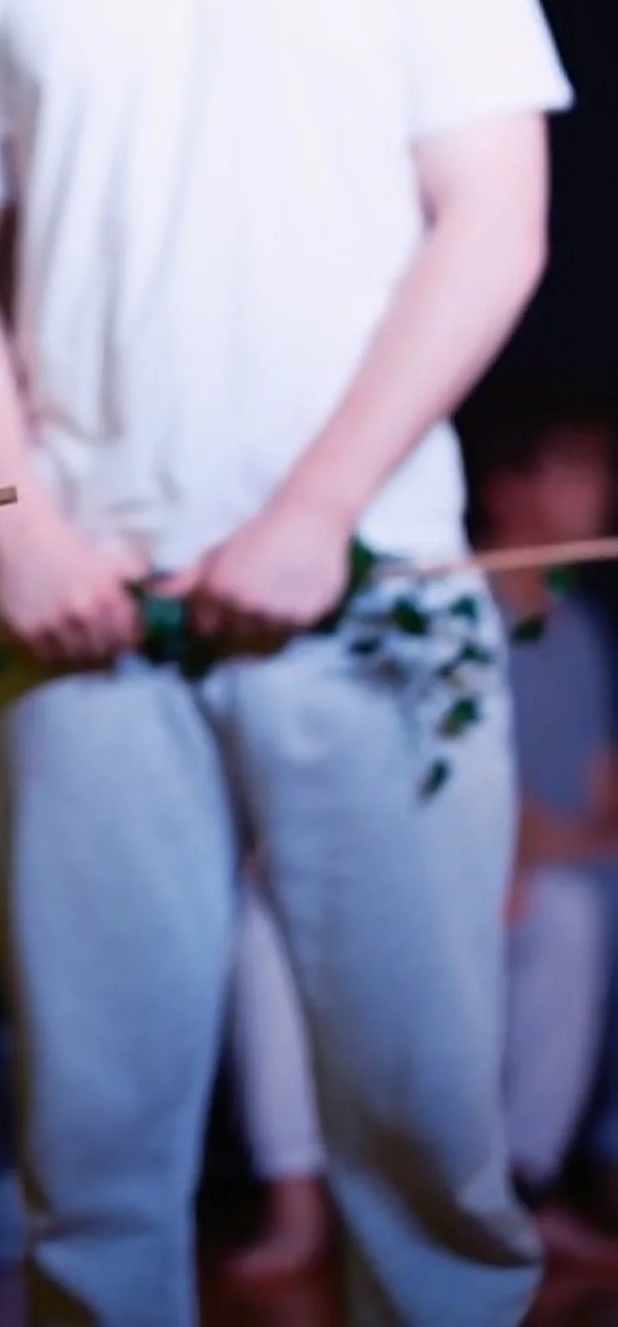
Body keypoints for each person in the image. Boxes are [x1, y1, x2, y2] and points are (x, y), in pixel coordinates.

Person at [0, 0, 570, 1326]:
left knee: (425, 1149)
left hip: (367, 593)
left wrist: (307, 519)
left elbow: (490, 223)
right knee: (94, 1164)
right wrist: (19, 528)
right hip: (77, 620)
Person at [228, 398, 618, 1282]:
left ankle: (526, 1183)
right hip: (408, 863)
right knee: (268, 916)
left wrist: (535, 846)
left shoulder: (578, 631)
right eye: (574, 467)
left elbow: (601, 799)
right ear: (507, 487)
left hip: (525, 881)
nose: (599, 491)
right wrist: (504, 843)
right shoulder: (432, 601)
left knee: (569, 914)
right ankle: (301, 1202)